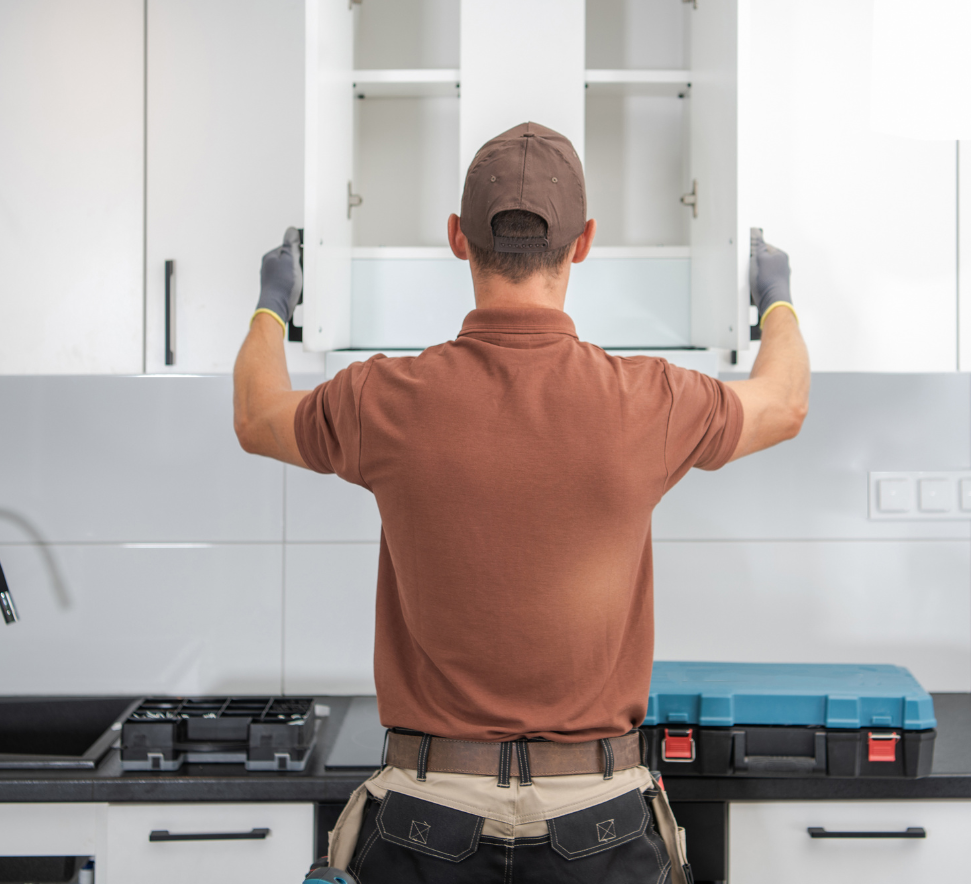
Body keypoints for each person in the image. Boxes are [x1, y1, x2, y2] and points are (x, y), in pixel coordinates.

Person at [234, 122, 809, 884]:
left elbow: (257, 415)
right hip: (599, 822)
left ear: (456, 238)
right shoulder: (651, 401)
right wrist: (777, 299)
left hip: (425, 818)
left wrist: (274, 302)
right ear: (585, 243)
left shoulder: (383, 399)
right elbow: (784, 402)